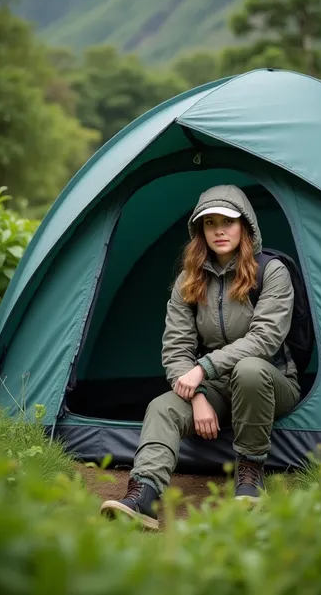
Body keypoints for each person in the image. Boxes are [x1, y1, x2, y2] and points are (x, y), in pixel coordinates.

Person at [100, 184, 302, 530]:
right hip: (212, 387)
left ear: (246, 227)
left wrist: (202, 368)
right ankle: (142, 496)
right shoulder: (188, 280)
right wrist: (195, 396)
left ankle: (249, 478)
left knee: (250, 370)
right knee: (162, 406)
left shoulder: (272, 272)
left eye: (228, 221)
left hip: (271, 381)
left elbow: (265, 339)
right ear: (200, 231)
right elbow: (175, 349)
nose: (220, 231)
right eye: (210, 224)